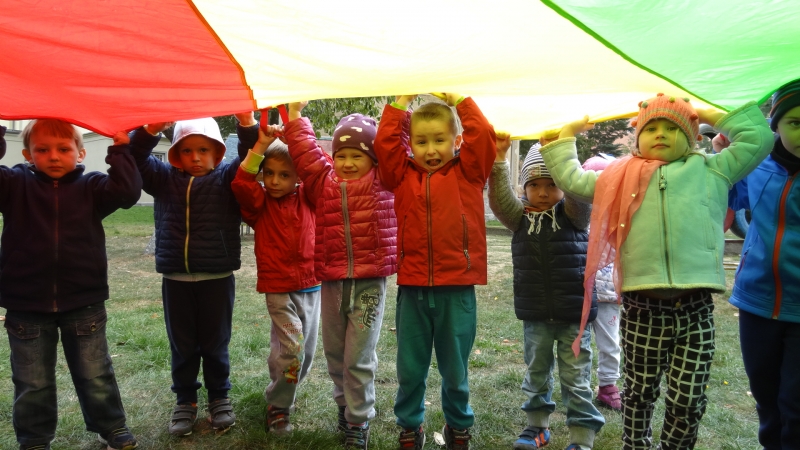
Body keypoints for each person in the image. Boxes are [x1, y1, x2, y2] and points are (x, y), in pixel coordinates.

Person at [539, 94, 773, 449]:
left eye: (672, 126)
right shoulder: (619, 177)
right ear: (638, 137)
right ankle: (636, 445)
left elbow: (758, 138)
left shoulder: (713, 169)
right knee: (639, 393)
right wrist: (565, 136)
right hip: (642, 307)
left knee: (688, 398)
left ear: (692, 135)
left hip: (695, 308)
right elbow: (572, 180)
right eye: (651, 127)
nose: (661, 133)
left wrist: (704, 110)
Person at [0, 120, 142, 450]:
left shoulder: (93, 187)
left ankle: (112, 427)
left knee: (95, 374)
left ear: (80, 153)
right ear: (28, 154)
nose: (53, 156)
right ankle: (34, 440)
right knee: (32, 381)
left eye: (63, 149)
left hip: (84, 301)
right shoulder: (14, 185)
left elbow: (128, 192)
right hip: (26, 305)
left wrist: (121, 148)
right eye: (42, 150)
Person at [374, 93, 496, 450]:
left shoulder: (469, 172)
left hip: (456, 290)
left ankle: (458, 426)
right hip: (413, 289)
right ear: (410, 144)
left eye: (439, 140)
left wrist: (460, 101)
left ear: (456, 141)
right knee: (410, 369)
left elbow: (483, 135)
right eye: (421, 141)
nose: (430, 150)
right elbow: (385, 146)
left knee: (455, 370)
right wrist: (399, 105)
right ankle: (410, 426)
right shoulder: (400, 175)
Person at [284, 102, 397, 450]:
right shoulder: (324, 183)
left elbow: (395, 144)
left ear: (373, 159)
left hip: (369, 284)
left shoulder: (383, 180)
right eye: (341, 155)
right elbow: (305, 154)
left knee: (358, 359)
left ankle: (359, 420)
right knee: (335, 355)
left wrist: (401, 106)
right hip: (332, 282)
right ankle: (344, 407)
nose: (347, 162)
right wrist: (294, 116)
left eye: (357, 156)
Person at [128, 115, 249, 436]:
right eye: (186, 150)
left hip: (217, 278)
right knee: (182, 346)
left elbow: (251, 154)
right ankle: (185, 400)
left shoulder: (228, 178)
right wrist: (150, 130)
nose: (195, 157)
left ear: (218, 152)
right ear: (175, 154)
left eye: (203, 150)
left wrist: (248, 123)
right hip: (176, 281)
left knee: (215, 344)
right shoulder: (162, 179)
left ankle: (219, 397)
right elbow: (134, 156)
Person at [488, 139, 604, 450]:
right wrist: (499, 160)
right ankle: (537, 427)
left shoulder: (574, 215)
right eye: (534, 185)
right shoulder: (519, 219)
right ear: (524, 188)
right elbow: (499, 200)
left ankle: (582, 436)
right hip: (536, 316)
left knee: (576, 379)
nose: (542, 192)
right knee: (536, 373)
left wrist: (561, 154)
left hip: (573, 317)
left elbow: (577, 192)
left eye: (552, 184)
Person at [230, 118, 320, 436]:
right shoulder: (259, 205)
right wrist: (260, 146)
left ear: (298, 177)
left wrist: (297, 140)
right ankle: (279, 406)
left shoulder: (310, 198)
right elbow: (241, 183)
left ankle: (284, 390)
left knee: (304, 354)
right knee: (292, 351)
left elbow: (320, 170)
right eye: (269, 173)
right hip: (279, 288)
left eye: (284, 175)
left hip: (312, 285)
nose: (275, 181)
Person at [727, 79, 800, 450]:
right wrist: (727, 157)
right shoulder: (757, 166)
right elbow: (726, 197)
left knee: (796, 406)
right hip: (756, 302)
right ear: (776, 125)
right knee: (766, 398)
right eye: (795, 123)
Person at [581, 154, 622, 412]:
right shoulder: (577, 218)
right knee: (580, 342)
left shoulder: (622, 217)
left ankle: (608, 385)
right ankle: (580, 384)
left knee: (610, 342)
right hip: (582, 294)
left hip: (609, 294)